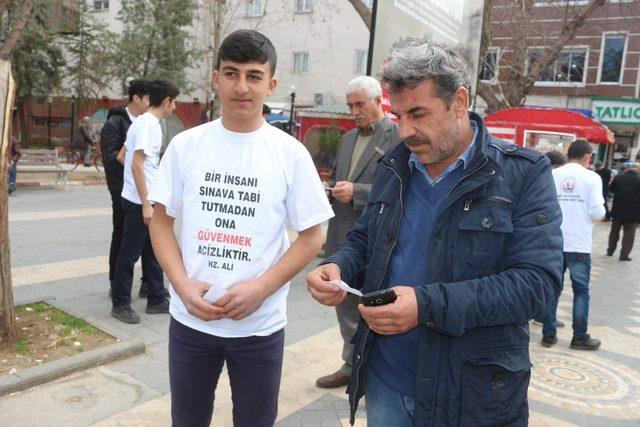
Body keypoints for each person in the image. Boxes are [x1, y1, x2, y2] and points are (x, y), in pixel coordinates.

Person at [306, 41, 563, 426]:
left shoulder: (523, 173)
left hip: (471, 397)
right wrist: (338, 265)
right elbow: (365, 238)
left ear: (459, 102)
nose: (406, 130)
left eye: (418, 113)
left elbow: (537, 286)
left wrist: (426, 306)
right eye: (398, 115)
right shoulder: (395, 167)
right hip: (385, 384)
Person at [148, 30, 333, 426]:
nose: (242, 87)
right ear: (216, 78)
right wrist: (180, 283)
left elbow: (313, 235)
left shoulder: (290, 154)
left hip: (259, 326)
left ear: (272, 83)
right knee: (187, 419)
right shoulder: (186, 146)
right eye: (231, 74)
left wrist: (262, 288)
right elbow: (161, 222)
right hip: (191, 320)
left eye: (254, 75)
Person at [316, 76, 400, 389]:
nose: (354, 111)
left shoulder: (397, 136)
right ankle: (351, 365)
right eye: (350, 105)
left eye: (360, 104)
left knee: (375, 306)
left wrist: (359, 192)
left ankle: (368, 369)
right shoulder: (347, 139)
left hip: (378, 238)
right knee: (345, 305)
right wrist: (329, 187)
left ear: (378, 101)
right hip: (342, 234)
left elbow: (400, 188)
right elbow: (339, 177)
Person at [111, 78, 178, 324]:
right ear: (167, 100)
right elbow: (137, 164)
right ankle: (120, 304)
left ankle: (156, 298)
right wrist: (145, 201)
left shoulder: (140, 122)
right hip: (141, 202)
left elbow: (122, 157)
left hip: (141, 198)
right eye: (175, 102)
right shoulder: (149, 125)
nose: (175, 108)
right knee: (129, 255)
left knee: (152, 252)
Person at [541, 139, 604, 351]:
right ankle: (579, 337)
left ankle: (548, 334)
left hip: (554, 242)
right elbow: (598, 212)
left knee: (552, 288)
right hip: (578, 244)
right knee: (580, 291)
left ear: (569, 154)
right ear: (587, 156)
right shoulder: (592, 178)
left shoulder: (553, 175)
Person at [100, 79, 152, 298]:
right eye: (148, 98)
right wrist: (136, 164)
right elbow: (111, 156)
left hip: (144, 191)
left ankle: (148, 283)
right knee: (122, 235)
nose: (152, 103)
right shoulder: (115, 123)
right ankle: (116, 284)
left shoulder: (148, 123)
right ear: (136, 98)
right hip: (122, 190)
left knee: (148, 238)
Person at [607, 162, 640, 261]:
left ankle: (610, 251)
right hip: (633, 213)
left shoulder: (619, 177)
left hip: (617, 210)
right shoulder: (639, 179)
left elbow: (611, 190)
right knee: (629, 234)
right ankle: (624, 255)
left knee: (614, 232)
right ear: (638, 170)